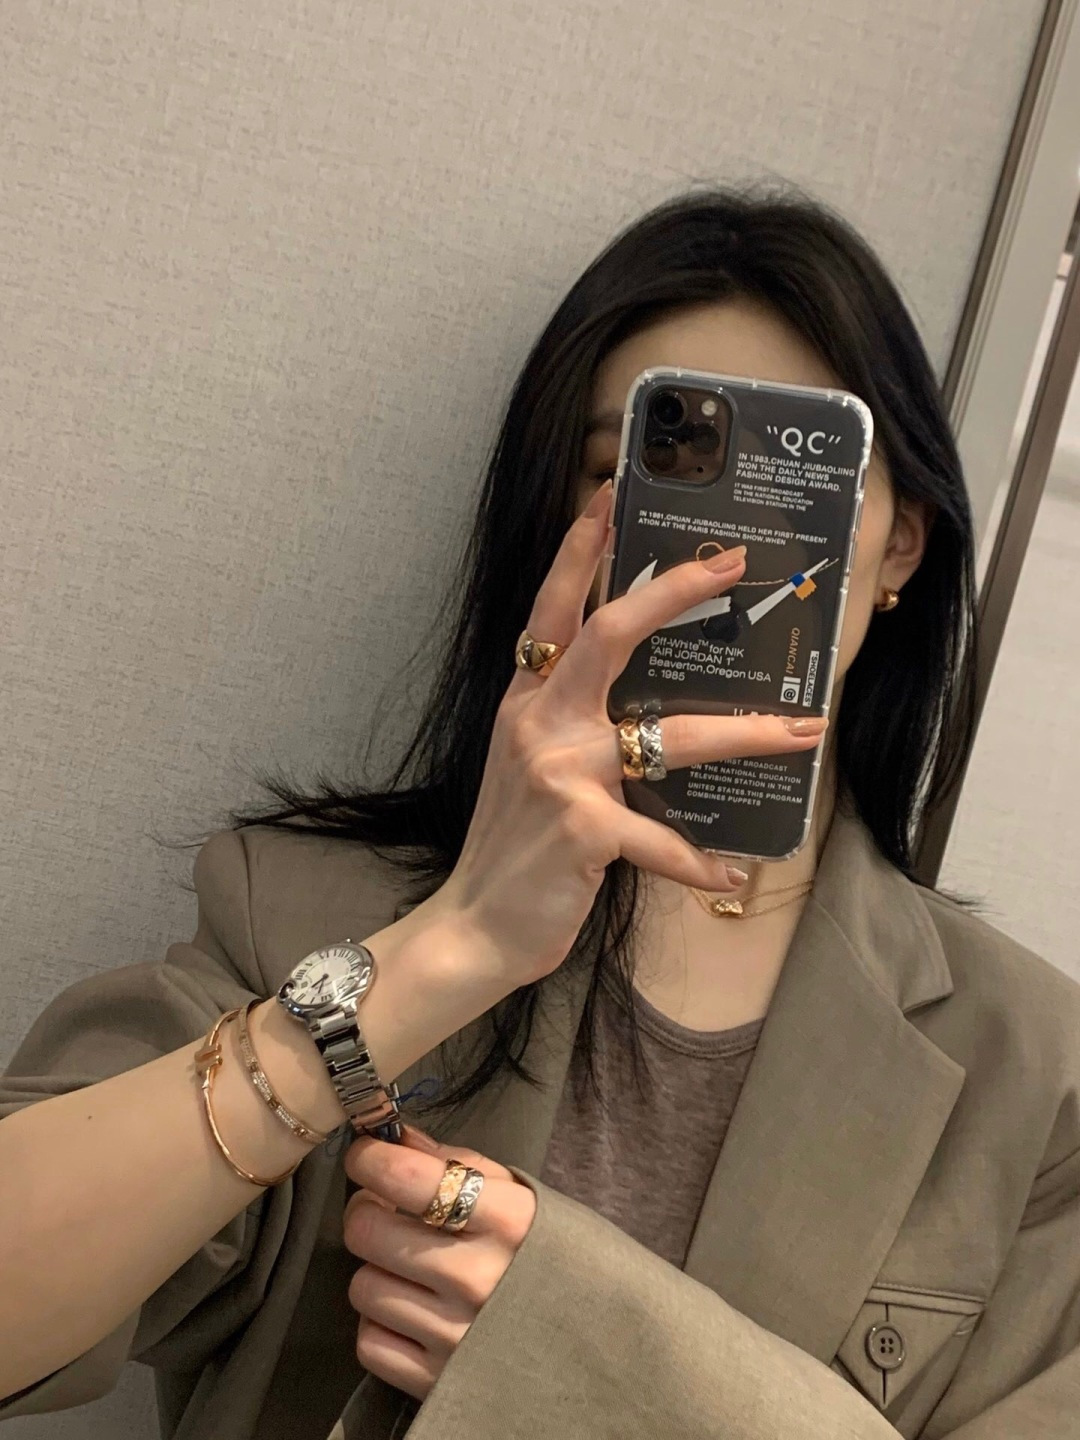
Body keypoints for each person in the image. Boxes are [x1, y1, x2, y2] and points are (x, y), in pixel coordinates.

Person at [1, 187, 1078, 1440]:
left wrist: (587, 1346)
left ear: (899, 547)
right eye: (642, 473)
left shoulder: (1033, 1073)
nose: (714, 559)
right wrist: (444, 946)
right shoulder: (302, 912)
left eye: (795, 483)